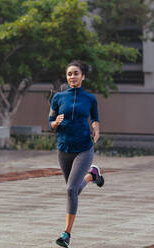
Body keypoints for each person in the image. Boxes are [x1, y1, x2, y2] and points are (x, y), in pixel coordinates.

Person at [49, 60, 105, 247]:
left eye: (76, 73)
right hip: (63, 148)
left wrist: (96, 130)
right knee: (73, 191)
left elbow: (95, 119)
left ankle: (66, 235)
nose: (72, 76)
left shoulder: (89, 99)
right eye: (69, 74)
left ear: (83, 76)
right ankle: (92, 176)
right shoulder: (57, 98)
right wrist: (55, 123)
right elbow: (50, 122)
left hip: (83, 148)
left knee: (71, 190)